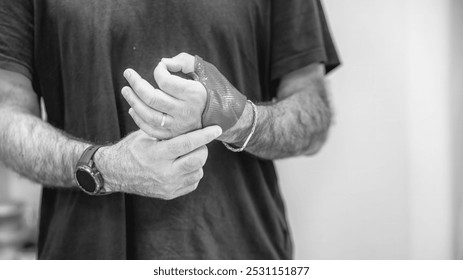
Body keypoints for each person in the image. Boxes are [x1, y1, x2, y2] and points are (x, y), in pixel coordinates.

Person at [0, 0, 340, 259]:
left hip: (241, 252)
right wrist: (107, 168)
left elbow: (312, 113)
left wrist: (232, 117)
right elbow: (7, 117)